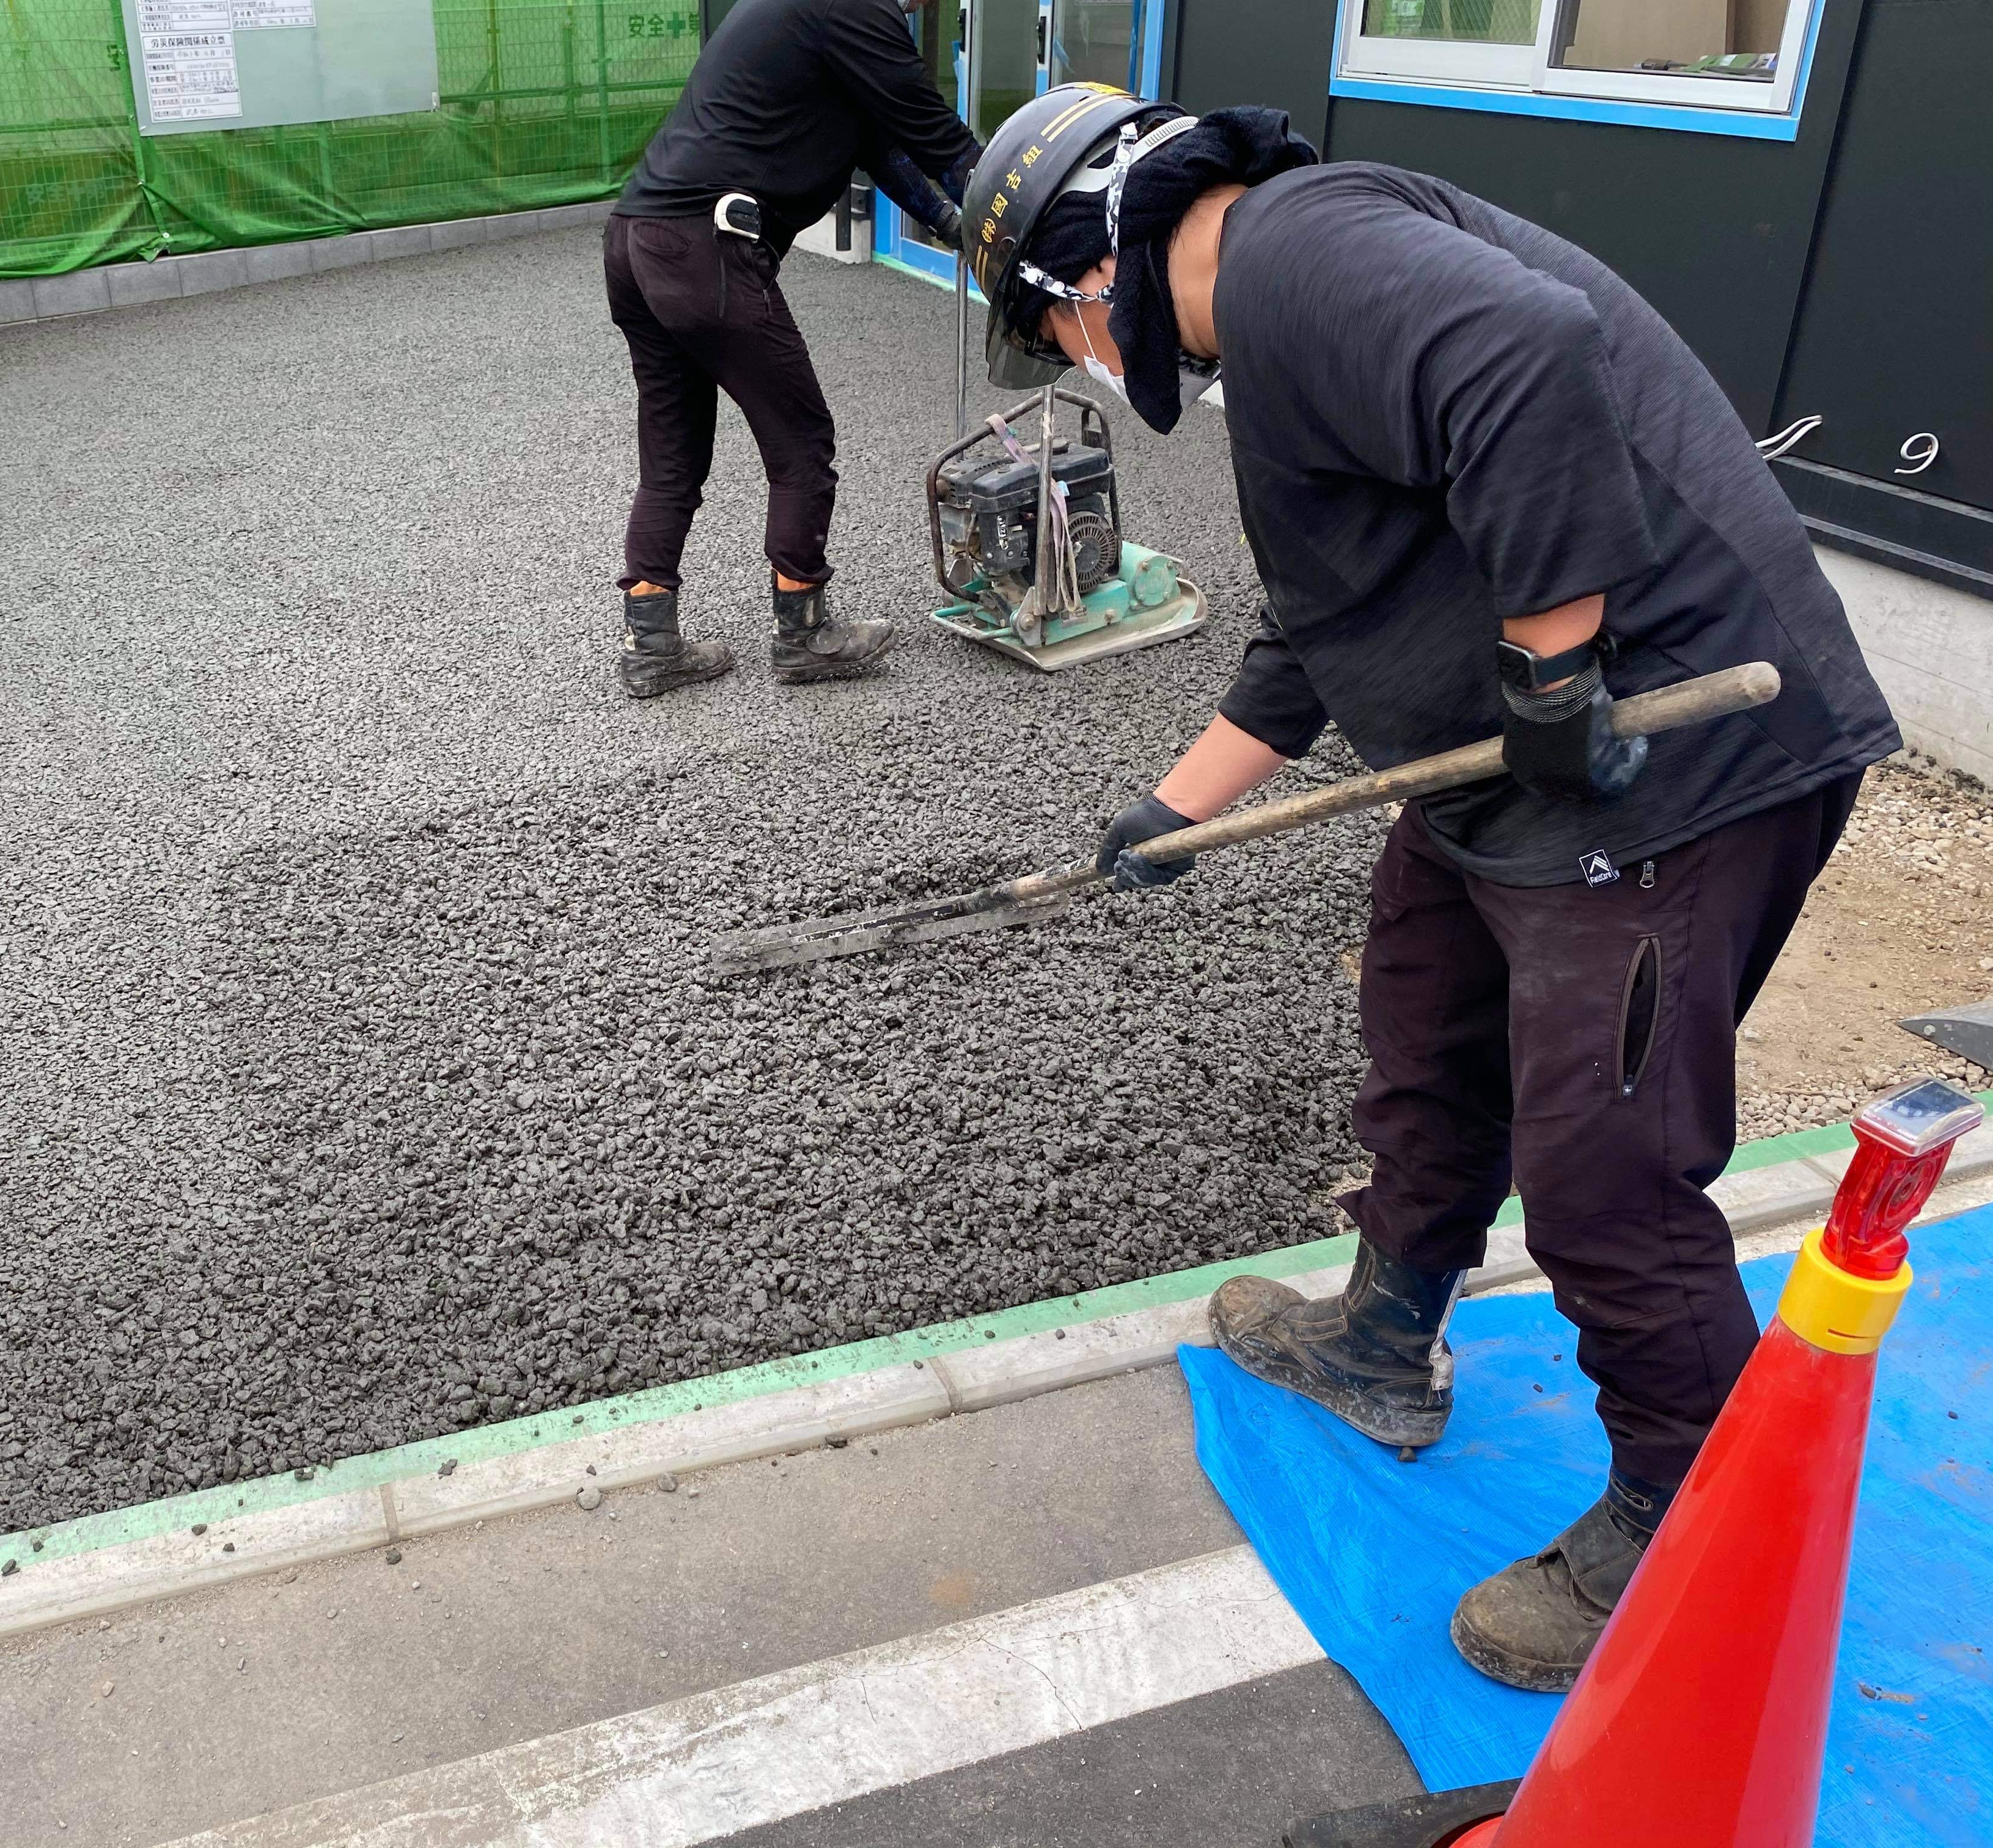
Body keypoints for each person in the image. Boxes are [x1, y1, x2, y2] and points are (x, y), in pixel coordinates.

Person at [969, 87, 1901, 1692]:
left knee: (1605, 1166)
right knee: (1425, 1019)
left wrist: (1552, 667)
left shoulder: (1295, 256)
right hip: (1505, 780)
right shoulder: (1294, 322)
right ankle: (1384, 1341)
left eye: (1052, 338)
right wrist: (1172, 813)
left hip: (1663, 767)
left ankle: (1695, 1527)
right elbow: (1327, 623)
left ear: (1085, 275)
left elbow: (1529, 356)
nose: (1082, 370)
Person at [604, 0, 980, 697]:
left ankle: (651, 644)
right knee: (802, 443)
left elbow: (880, 148)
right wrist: (1015, 209)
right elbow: (939, 140)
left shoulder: (809, 18)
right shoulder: (855, 9)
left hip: (636, 238)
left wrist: (953, 224)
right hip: (704, 248)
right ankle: (804, 633)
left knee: (672, 455)